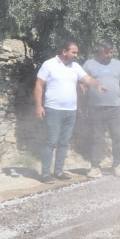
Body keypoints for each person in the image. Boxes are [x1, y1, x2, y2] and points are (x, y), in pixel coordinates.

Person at [34, 41, 106, 183]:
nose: (76, 55)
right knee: (51, 141)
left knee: (64, 142)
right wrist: (38, 106)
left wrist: (97, 84)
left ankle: (59, 170)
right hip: (53, 109)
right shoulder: (49, 64)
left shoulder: (75, 67)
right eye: (74, 52)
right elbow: (38, 85)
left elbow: (87, 79)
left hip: (70, 111)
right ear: (64, 51)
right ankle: (45, 173)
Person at [79, 39, 120, 178]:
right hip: (95, 108)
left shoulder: (118, 65)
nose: (109, 55)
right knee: (96, 138)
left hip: (114, 108)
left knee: (117, 137)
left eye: (111, 52)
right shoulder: (89, 64)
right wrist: (81, 105)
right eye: (106, 53)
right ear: (100, 51)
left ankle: (117, 165)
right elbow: (82, 85)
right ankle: (95, 167)